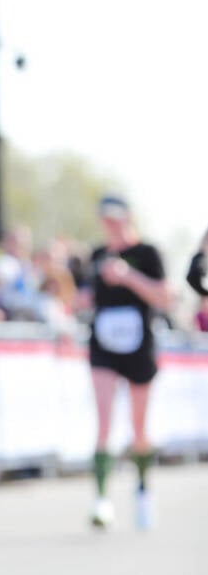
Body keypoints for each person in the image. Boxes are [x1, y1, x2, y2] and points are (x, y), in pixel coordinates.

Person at [84, 194, 174, 529]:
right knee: (104, 423)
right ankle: (101, 499)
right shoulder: (96, 255)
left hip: (138, 344)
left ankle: (142, 490)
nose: (110, 224)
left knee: (139, 428)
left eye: (115, 217)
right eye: (104, 218)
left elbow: (164, 296)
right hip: (104, 343)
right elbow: (87, 296)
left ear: (128, 217)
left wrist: (127, 277)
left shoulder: (148, 253)